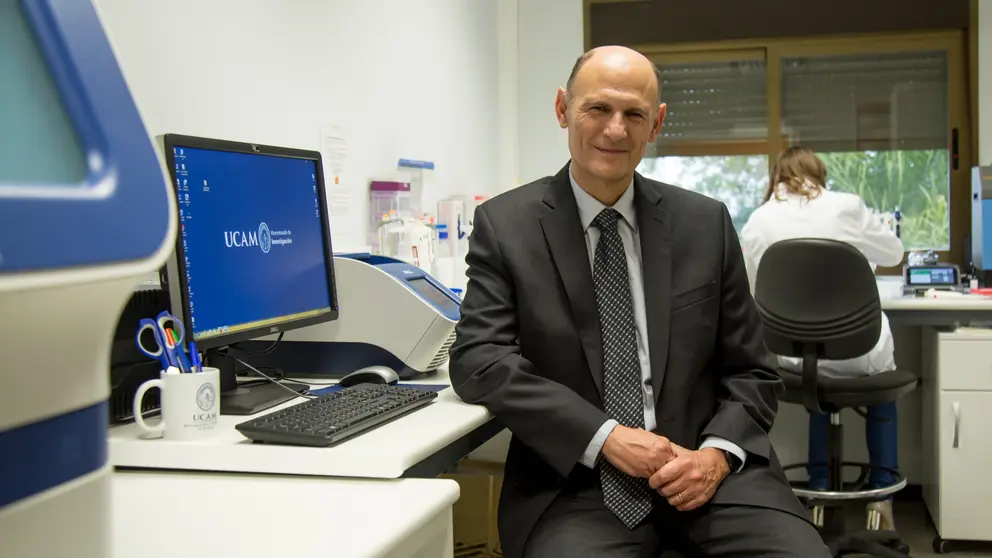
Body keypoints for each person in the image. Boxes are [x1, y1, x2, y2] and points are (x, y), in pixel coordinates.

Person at [448, 45, 829, 558]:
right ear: (563, 108)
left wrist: (715, 456)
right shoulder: (506, 226)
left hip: (707, 473)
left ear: (657, 123)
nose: (615, 129)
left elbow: (753, 371)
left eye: (634, 114)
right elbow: (479, 359)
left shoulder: (705, 224)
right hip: (577, 481)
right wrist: (605, 437)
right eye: (598, 109)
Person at [740, 146, 905, 531]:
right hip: (857, 352)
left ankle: (816, 492)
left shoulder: (760, 219)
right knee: (878, 389)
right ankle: (880, 499)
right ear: (819, 175)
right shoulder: (847, 206)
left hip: (792, 357)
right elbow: (895, 251)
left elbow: (751, 290)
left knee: (820, 389)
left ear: (777, 177)